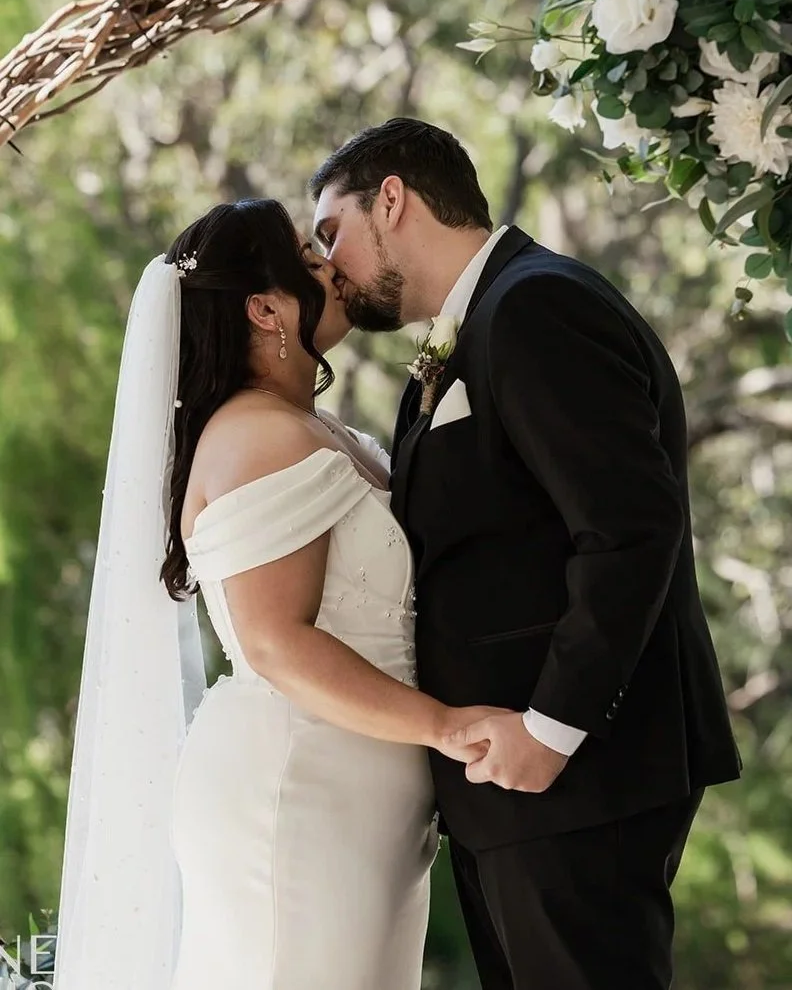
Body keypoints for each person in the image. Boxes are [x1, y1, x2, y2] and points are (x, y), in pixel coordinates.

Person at [310, 117, 742, 990]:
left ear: (391, 200)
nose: (329, 265)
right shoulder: (471, 331)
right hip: (511, 791)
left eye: (332, 232)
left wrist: (551, 729)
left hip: (578, 777)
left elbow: (628, 526)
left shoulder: (538, 305)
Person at [52, 197, 501, 990]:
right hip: (296, 792)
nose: (331, 264)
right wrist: (445, 725)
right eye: (307, 252)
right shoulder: (257, 437)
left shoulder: (314, 429)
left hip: (360, 799)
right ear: (264, 307)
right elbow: (275, 642)